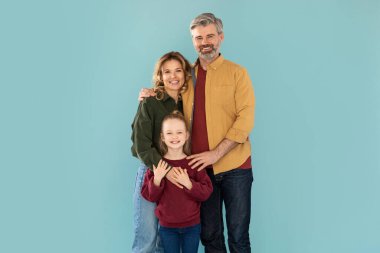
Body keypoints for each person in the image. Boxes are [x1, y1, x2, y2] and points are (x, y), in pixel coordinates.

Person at [139, 13, 255, 253]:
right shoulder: (185, 77)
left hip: (236, 167)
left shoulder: (238, 73)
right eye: (199, 37)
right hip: (199, 172)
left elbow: (245, 120)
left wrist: (216, 154)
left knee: (238, 236)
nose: (205, 42)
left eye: (210, 36)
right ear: (193, 41)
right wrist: (149, 93)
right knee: (210, 236)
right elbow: (169, 96)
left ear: (220, 38)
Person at [131, 51, 193, 253]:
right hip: (152, 173)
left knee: (165, 242)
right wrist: (166, 171)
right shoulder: (150, 102)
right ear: (160, 75)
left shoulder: (189, 105)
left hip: (179, 177)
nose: (173, 76)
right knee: (147, 238)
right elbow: (141, 144)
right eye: (167, 72)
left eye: (177, 71)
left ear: (185, 74)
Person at [141, 111, 213, 253]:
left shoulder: (193, 163)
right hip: (167, 228)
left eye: (179, 132)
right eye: (169, 133)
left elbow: (206, 192)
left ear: (186, 135)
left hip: (192, 227)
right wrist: (156, 180)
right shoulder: (157, 164)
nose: (174, 137)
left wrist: (189, 184)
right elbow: (149, 196)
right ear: (162, 137)